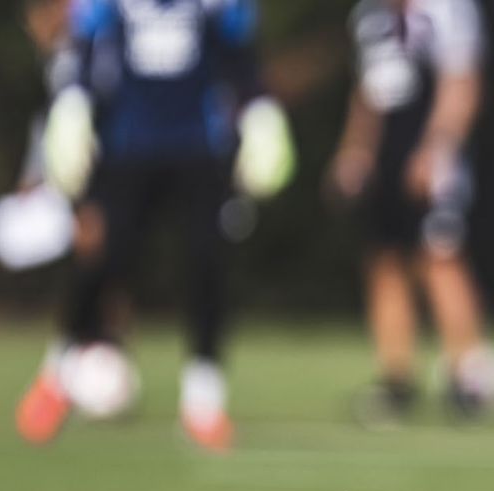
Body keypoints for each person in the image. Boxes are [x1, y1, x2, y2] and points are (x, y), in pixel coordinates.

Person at [15, 0, 295, 451]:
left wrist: (261, 111)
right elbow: (86, 54)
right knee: (101, 259)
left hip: (199, 147)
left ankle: (204, 401)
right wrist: (73, 104)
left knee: (206, 263)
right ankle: (57, 374)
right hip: (127, 146)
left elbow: (239, 60)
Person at [327, 0, 494, 421]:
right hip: (386, 157)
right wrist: (355, 150)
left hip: (432, 158)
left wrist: (435, 150)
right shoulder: (369, 17)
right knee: (385, 258)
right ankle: (397, 380)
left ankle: (467, 375)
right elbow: (367, 92)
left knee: (440, 256)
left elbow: (462, 85)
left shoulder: (448, 12)